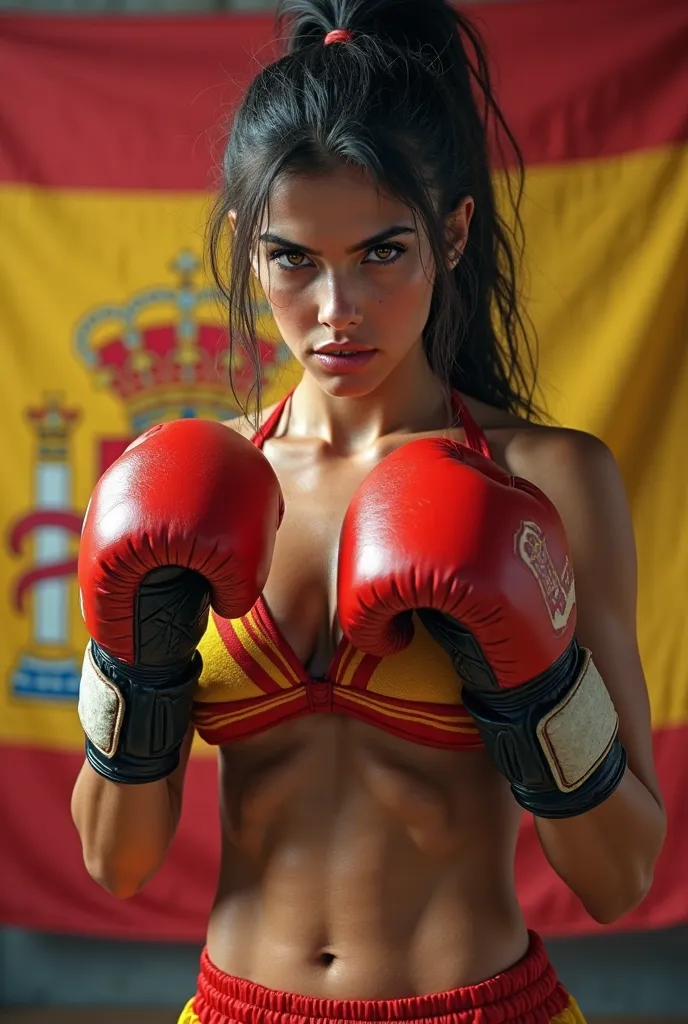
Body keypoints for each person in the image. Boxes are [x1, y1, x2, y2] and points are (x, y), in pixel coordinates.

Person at [71, 1, 667, 1022]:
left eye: (381, 254)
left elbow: (616, 879)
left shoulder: (548, 483)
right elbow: (116, 859)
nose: (335, 309)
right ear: (247, 250)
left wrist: (537, 693)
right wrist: (140, 665)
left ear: (453, 231)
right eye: (293, 259)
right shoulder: (186, 484)